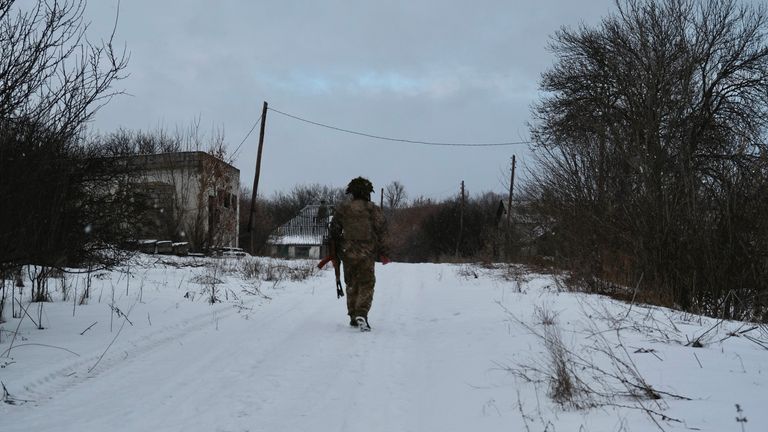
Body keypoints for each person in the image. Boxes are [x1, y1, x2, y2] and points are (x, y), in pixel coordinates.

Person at [329, 177, 389, 331]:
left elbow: (334, 230)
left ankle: (353, 317)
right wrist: (384, 251)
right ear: (368, 192)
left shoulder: (343, 208)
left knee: (351, 283)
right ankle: (362, 313)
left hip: (347, 253)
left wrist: (337, 249)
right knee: (367, 283)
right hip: (367, 254)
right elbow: (382, 230)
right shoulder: (372, 209)